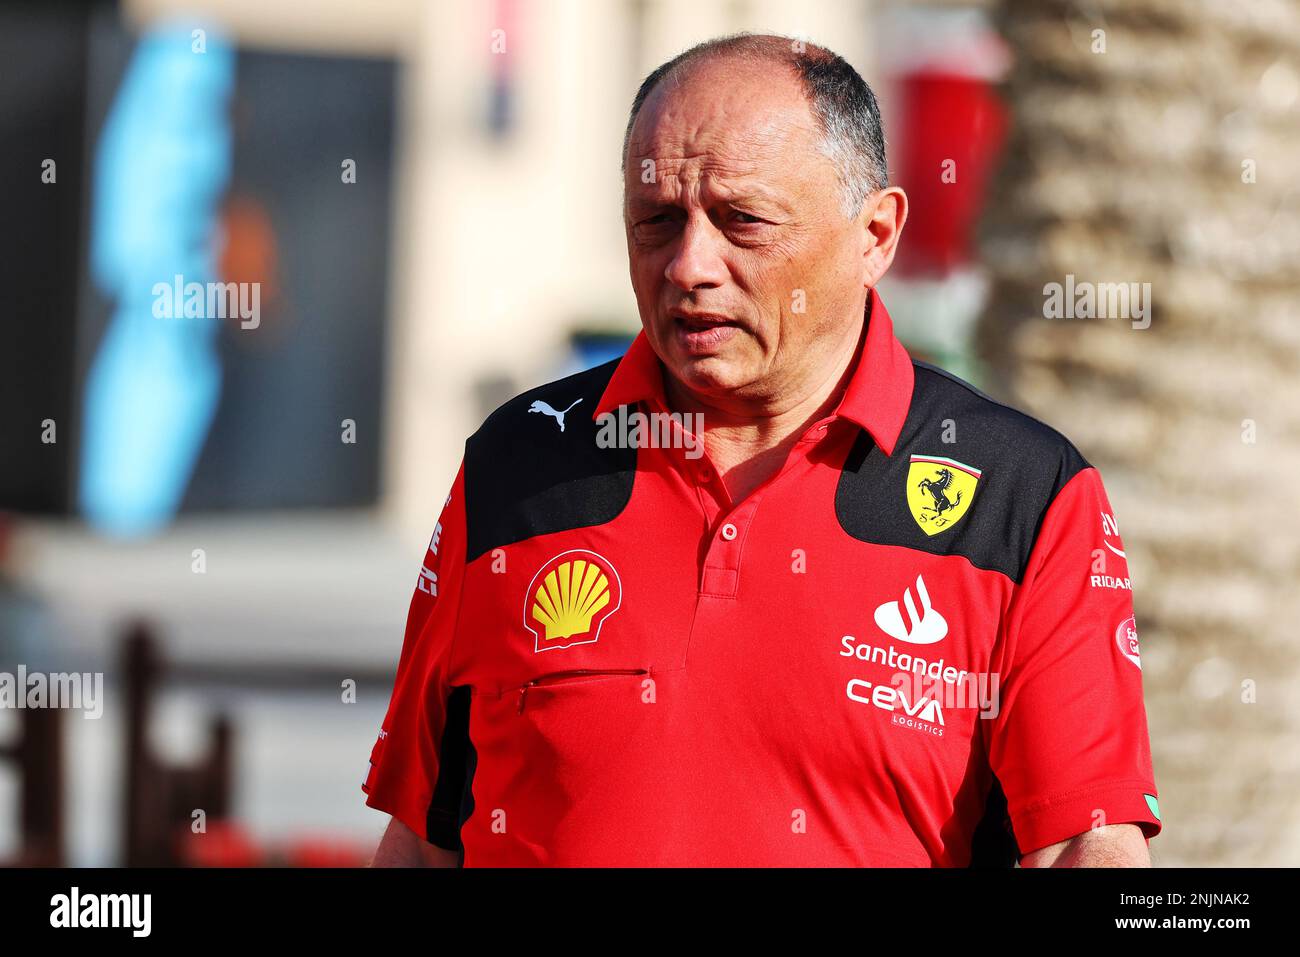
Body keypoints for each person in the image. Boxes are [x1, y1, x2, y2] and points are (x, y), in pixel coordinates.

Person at [365, 33, 1161, 867]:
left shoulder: (1023, 496)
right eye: (656, 222)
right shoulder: (515, 466)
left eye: (742, 220)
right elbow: (423, 841)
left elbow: (1082, 846)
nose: (690, 265)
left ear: (875, 234)